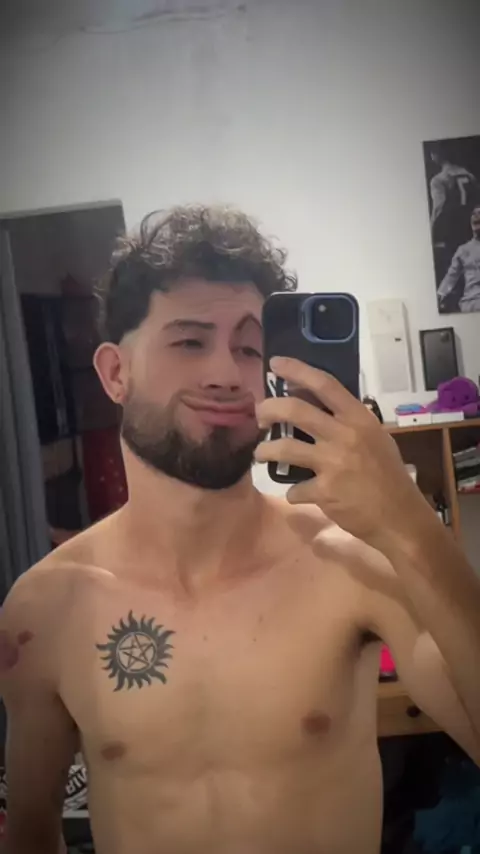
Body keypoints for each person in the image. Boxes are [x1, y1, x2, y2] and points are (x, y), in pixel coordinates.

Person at [2, 206, 480, 854]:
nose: (227, 374)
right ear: (115, 373)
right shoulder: (45, 609)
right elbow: (31, 834)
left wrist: (408, 520)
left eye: (249, 348)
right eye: (190, 341)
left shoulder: (351, 563)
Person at [438, 205, 480, 313]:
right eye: (473, 214)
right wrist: (440, 295)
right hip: (471, 303)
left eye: (479, 213)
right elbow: (451, 276)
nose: (476, 215)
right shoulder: (463, 250)